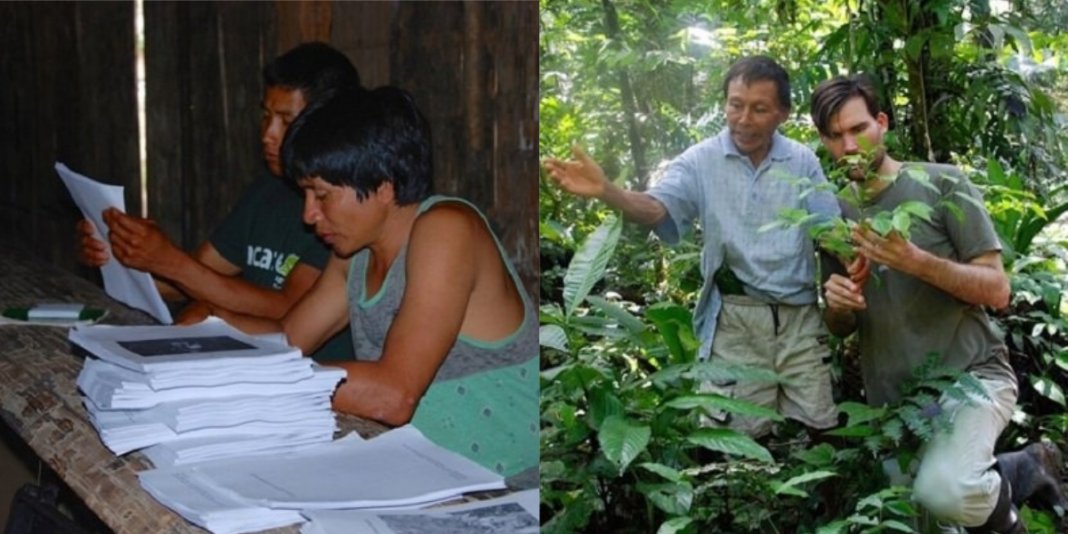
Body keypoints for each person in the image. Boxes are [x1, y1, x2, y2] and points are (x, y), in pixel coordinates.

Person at [211, 86, 539, 488]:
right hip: (425, 477)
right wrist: (213, 329)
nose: (309, 215)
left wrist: (244, 380)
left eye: (322, 195)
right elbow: (289, 339)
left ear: (383, 187)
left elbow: (392, 396)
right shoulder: (354, 254)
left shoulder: (447, 229)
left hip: (507, 491)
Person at [812, 74, 1064, 533]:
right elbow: (839, 324)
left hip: (973, 375)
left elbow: (997, 291)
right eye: (834, 136)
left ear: (882, 123)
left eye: (858, 128)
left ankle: (1021, 470)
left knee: (947, 490)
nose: (849, 146)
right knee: (926, 522)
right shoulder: (834, 214)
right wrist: (839, 303)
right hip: (895, 403)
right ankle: (1014, 488)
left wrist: (916, 261)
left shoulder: (943, 184)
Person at [543, 56, 840, 438]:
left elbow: (831, 233)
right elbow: (654, 208)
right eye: (735, 105)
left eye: (759, 108)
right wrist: (608, 192)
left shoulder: (801, 161)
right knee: (733, 443)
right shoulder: (701, 161)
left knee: (819, 431)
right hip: (735, 319)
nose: (744, 119)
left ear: (783, 113)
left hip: (800, 318)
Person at [76, 42, 358, 361]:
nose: (269, 134)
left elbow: (292, 306)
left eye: (286, 120)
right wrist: (122, 253)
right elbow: (193, 279)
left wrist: (169, 261)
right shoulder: (267, 192)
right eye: (266, 116)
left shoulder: (341, 208)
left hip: (314, 375)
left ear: (328, 123)